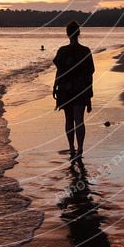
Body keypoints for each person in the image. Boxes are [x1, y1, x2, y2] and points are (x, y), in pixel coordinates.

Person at [53, 21, 95, 159]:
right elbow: (90, 73)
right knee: (79, 120)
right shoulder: (85, 51)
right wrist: (89, 94)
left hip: (66, 89)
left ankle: (72, 147)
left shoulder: (62, 51)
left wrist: (55, 86)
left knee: (69, 120)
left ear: (67, 34)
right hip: (81, 88)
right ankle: (80, 148)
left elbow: (59, 71)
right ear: (79, 33)